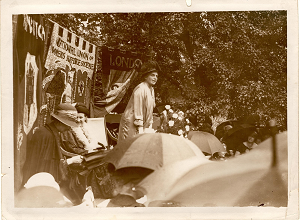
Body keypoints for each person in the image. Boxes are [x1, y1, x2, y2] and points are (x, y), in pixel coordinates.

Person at [22, 103, 85, 205]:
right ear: (60, 123)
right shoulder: (46, 136)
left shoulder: (51, 133)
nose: (69, 129)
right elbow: (45, 168)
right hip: (39, 184)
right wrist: (70, 161)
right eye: (68, 125)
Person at [118, 61, 159, 142]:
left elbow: (150, 109)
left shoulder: (151, 89)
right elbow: (138, 109)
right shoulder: (140, 89)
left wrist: (149, 124)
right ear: (145, 77)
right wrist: (140, 128)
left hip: (142, 123)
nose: (155, 78)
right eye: (152, 75)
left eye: (156, 76)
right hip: (131, 122)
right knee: (130, 145)